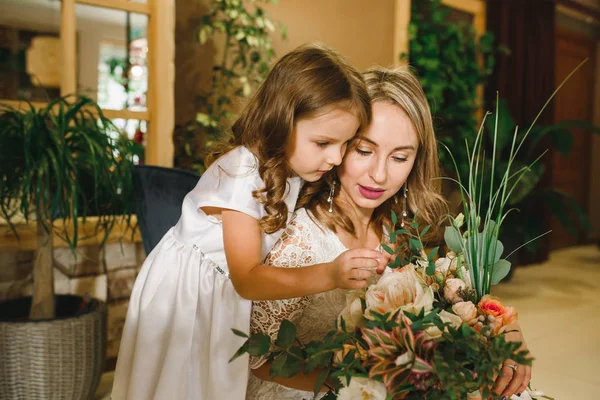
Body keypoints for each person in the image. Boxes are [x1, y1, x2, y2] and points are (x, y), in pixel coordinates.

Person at [111, 43, 383, 400]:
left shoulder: (293, 168)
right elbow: (247, 280)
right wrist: (329, 274)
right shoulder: (243, 172)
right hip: (190, 296)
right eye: (323, 142)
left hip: (220, 297)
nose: (335, 157)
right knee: (180, 385)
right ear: (283, 119)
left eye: (346, 144)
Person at [245, 66, 532, 400]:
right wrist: (366, 384)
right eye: (364, 151)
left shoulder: (404, 227)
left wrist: (501, 328)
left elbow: (446, 304)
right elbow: (259, 360)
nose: (378, 175)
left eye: (399, 157)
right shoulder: (298, 241)